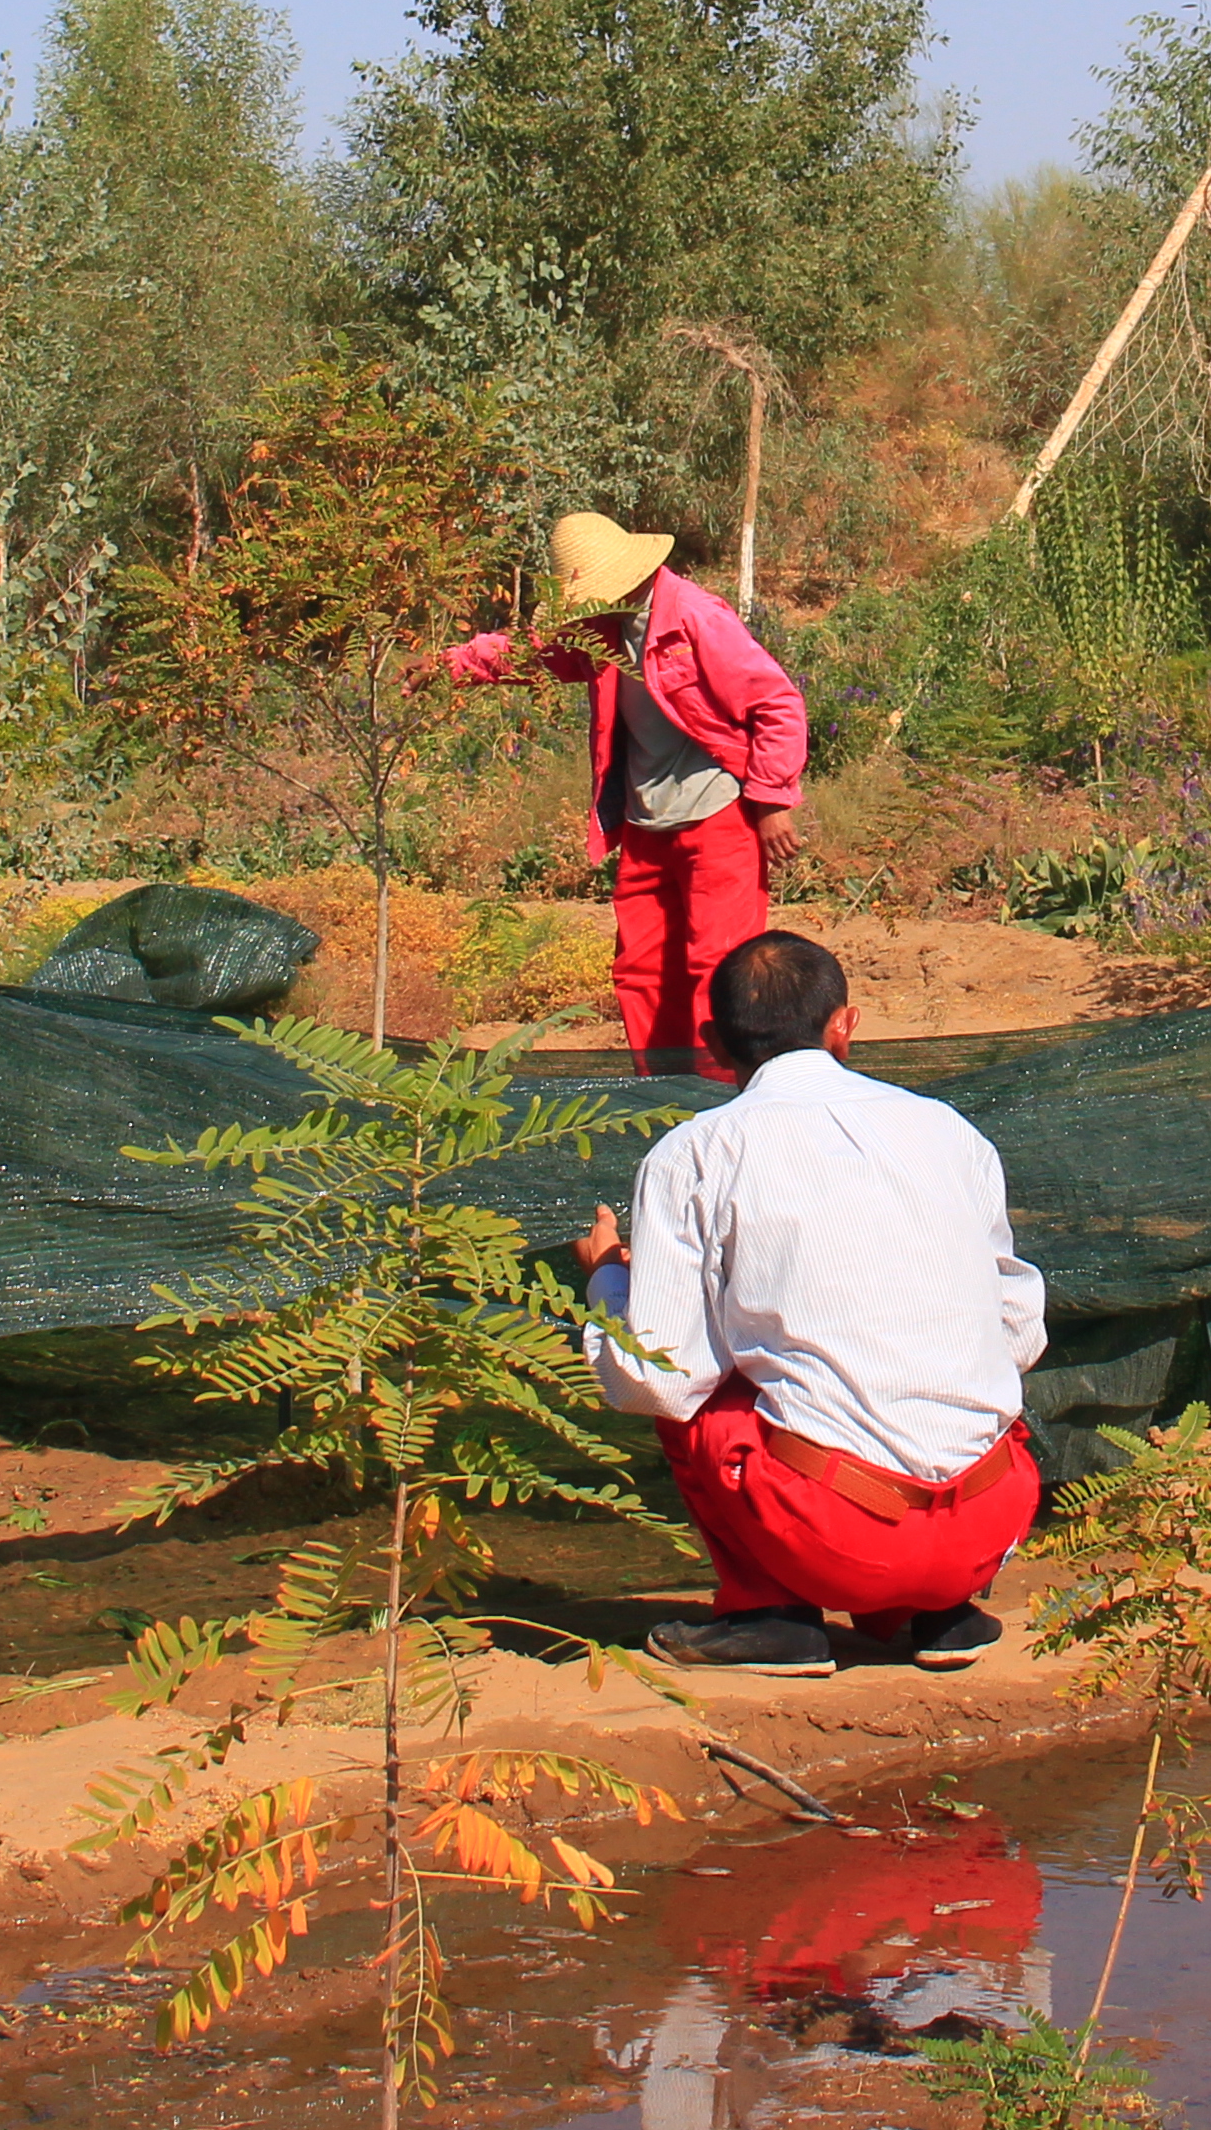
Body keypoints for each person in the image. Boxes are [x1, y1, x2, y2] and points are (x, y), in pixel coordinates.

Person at [570, 929, 1046, 1677]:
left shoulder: (696, 1153)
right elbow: (1017, 1331)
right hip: (992, 1519)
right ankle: (940, 1615)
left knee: (689, 1386)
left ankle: (770, 1616)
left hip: (841, 1536)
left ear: (710, 1043)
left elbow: (656, 1379)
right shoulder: (949, 1131)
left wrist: (607, 1281)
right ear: (845, 1024)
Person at [446, 512, 810, 1066]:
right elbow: (532, 654)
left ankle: (715, 1098)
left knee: (717, 966)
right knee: (640, 968)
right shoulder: (604, 629)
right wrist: (452, 664)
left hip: (719, 819)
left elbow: (776, 703)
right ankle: (660, 1092)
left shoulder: (693, 617)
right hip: (645, 824)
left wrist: (770, 801)